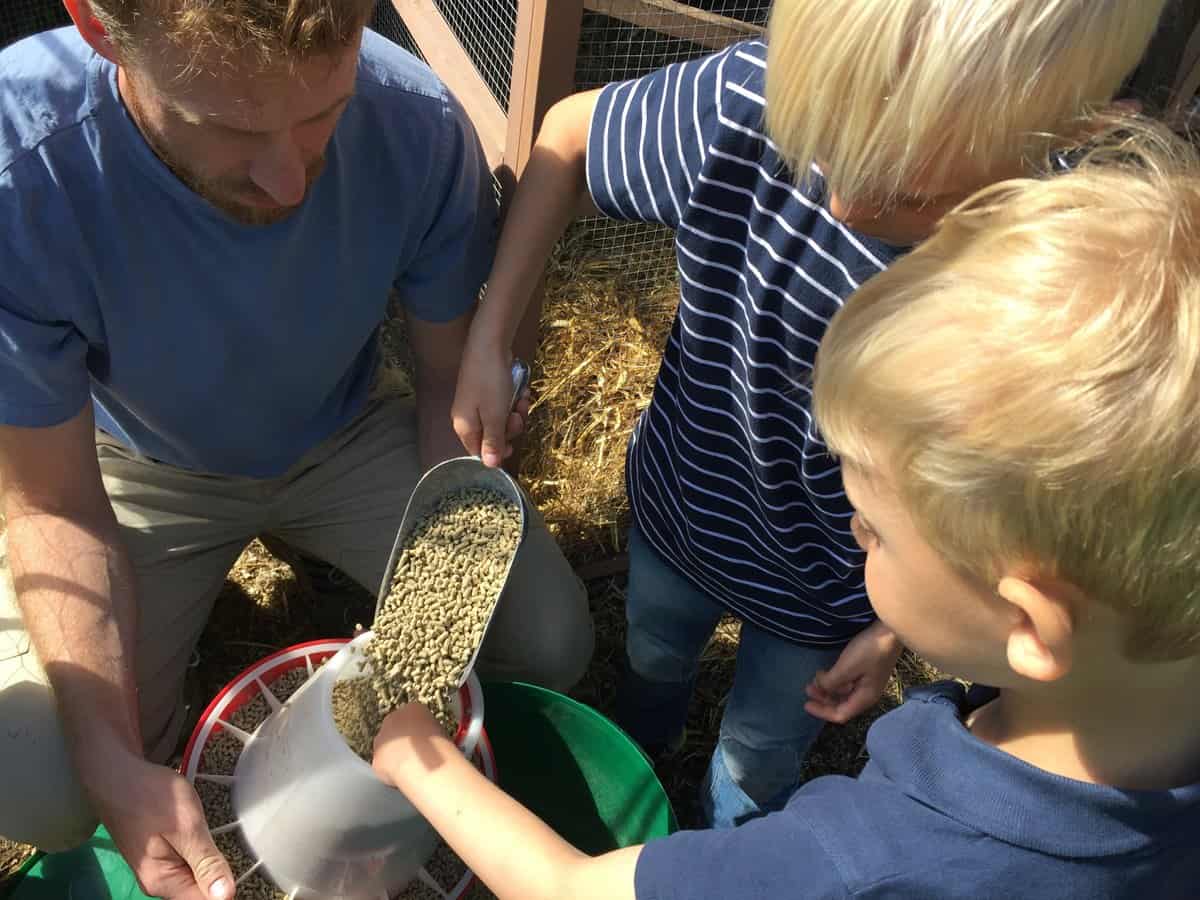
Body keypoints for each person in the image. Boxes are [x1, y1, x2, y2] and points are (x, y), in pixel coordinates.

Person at [374, 123, 1200, 900]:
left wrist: (418, 760)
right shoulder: (1132, 675)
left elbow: (566, 887)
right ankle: (653, 740)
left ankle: (723, 821)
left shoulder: (846, 862)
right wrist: (893, 630)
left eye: (874, 531)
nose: (852, 530)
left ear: (1030, 622)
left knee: (758, 753)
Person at [449, 0, 1167, 827]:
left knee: (761, 749)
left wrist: (893, 626)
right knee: (652, 654)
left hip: (830, 590)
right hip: (684, 508)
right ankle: (641, 757)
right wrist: (489, 336)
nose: (848, 203)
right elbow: (569, 137)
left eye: (911, 192)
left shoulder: (1060, 266)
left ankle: (727, 838)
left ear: (1057, 127)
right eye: (822, 145)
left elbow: (1004, 504)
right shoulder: (750, 102)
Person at [0, 1, 592, 896]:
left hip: (345, 431)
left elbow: (442, 389)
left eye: (325, 113)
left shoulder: (418, 123)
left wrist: (438, 594)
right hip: (136, 469)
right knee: (41, 782)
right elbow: (52, 504)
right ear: (100, 29)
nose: (287, 182)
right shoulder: (22, 173)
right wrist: (105, 753)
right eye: (227, 127)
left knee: (549, 641)